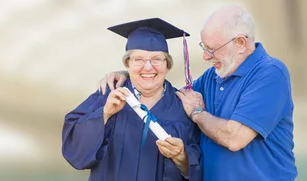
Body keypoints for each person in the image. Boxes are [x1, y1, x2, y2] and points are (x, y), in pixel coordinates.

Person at [99, 5, 297, 181]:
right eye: (204, 47)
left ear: (240, 43)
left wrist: (197, 113)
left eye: (212, 49)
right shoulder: (213, 76)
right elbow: (171, 95)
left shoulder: (270, 74)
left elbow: (235, 138)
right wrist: (137, 72)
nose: (204, 56)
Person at [62, 18, 202, 181]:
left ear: (168, 65)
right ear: (128, 64)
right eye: (139, 60)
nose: (148, 67)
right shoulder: (109, 95)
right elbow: (74, 149)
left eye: (156, 59)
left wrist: (182, 157)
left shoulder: (183, 108)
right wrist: (105, 114)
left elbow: (203, 166)